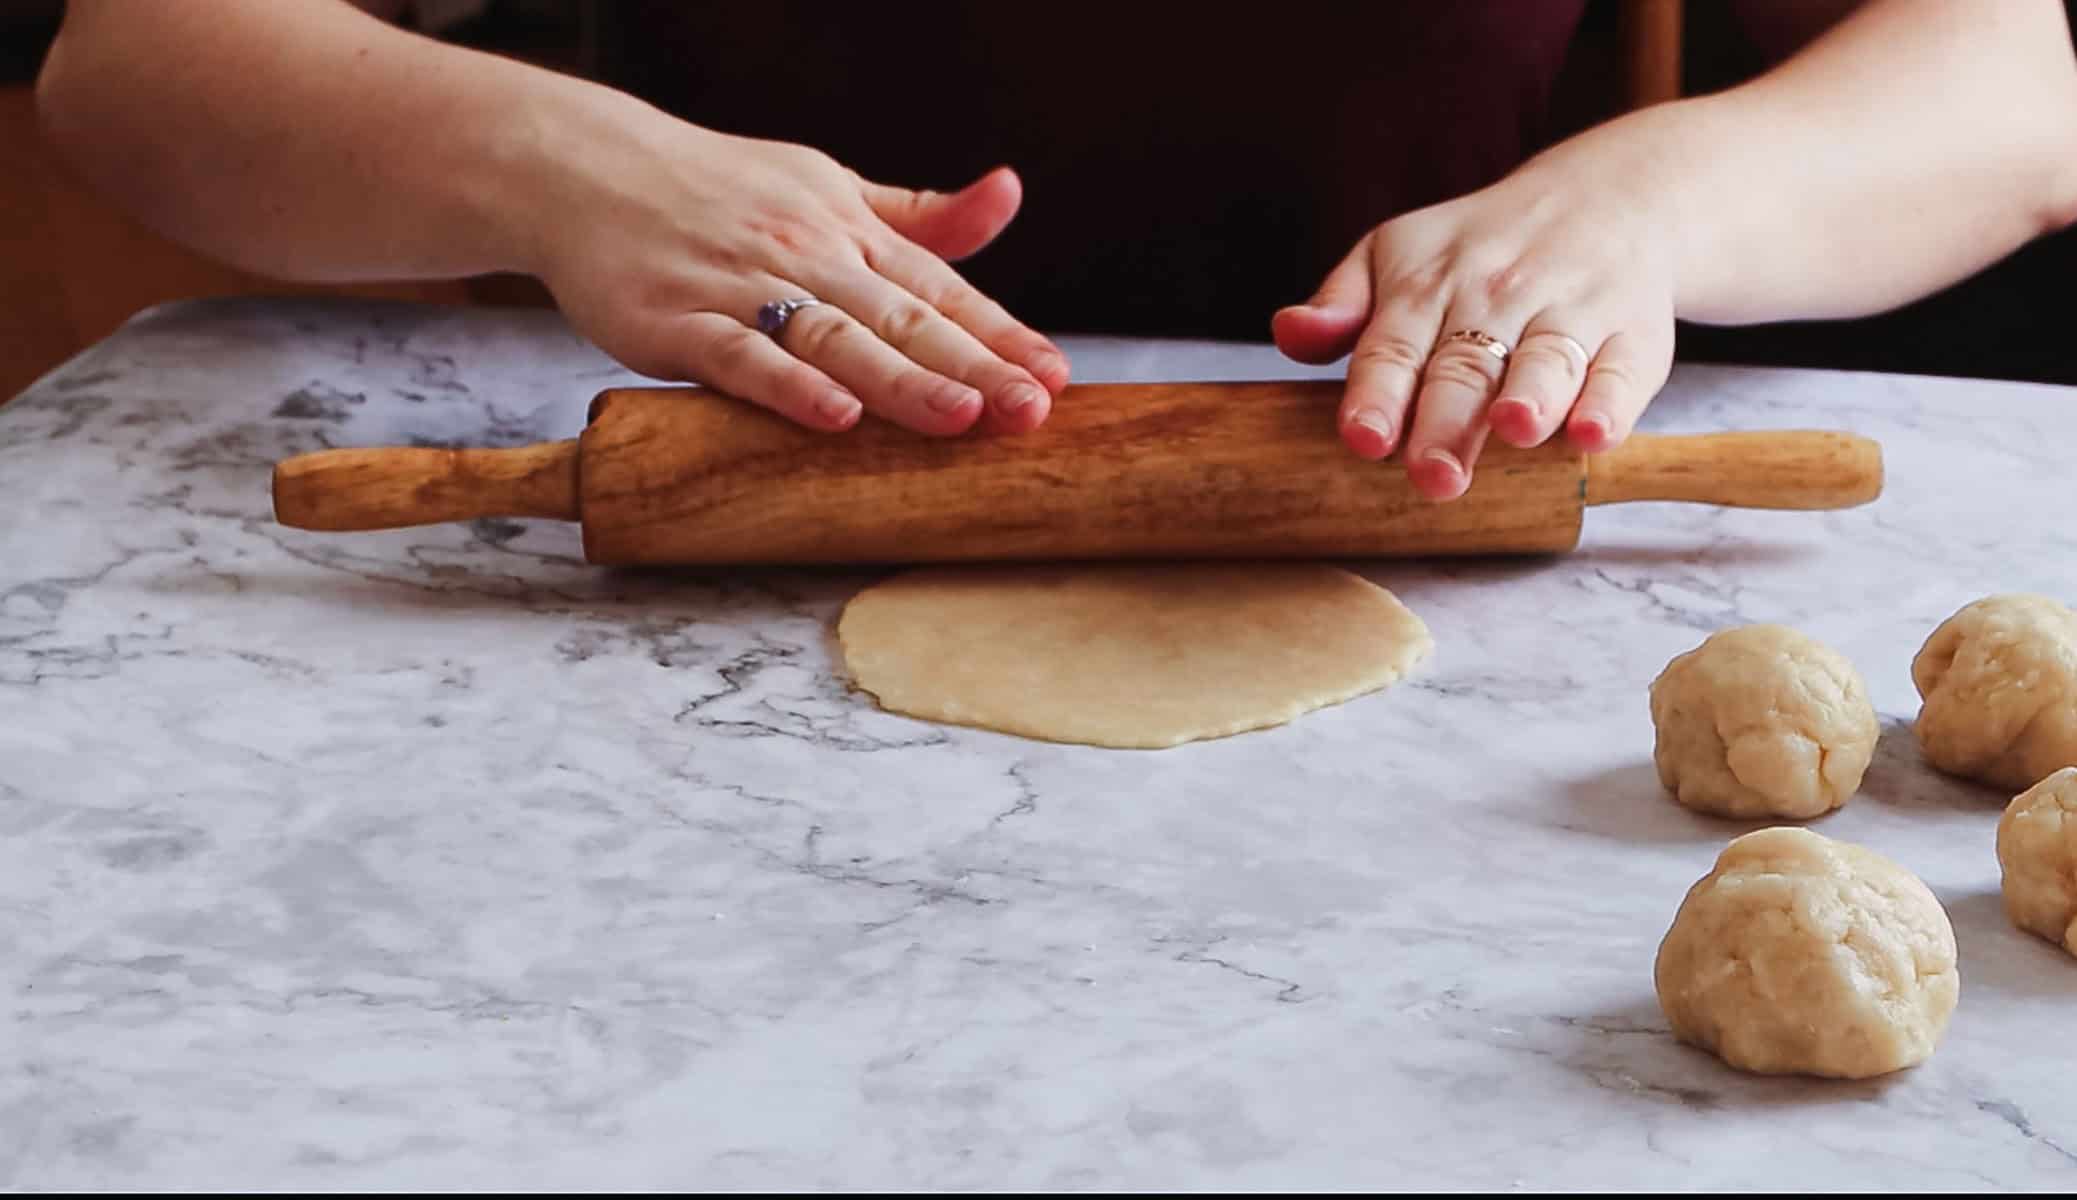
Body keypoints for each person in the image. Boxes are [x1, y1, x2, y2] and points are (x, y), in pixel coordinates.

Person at [34, 1, 2077, 501]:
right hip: (740, 486)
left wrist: (1663, 196)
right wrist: (541, 150)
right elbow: (133, 58)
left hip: (1409, 491)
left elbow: (2008, 68)